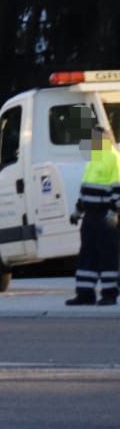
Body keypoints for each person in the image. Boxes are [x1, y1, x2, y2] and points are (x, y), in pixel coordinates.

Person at [67, 123, 120, 306]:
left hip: (106, 216)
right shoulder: (93, 159)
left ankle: (109, 294)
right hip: (90, 216)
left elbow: (117, 189)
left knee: (108, 256)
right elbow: (86, 189)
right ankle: (85, 294)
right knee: (87, 255)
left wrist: (115, 212)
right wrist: (77, 211)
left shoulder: (113, 158)